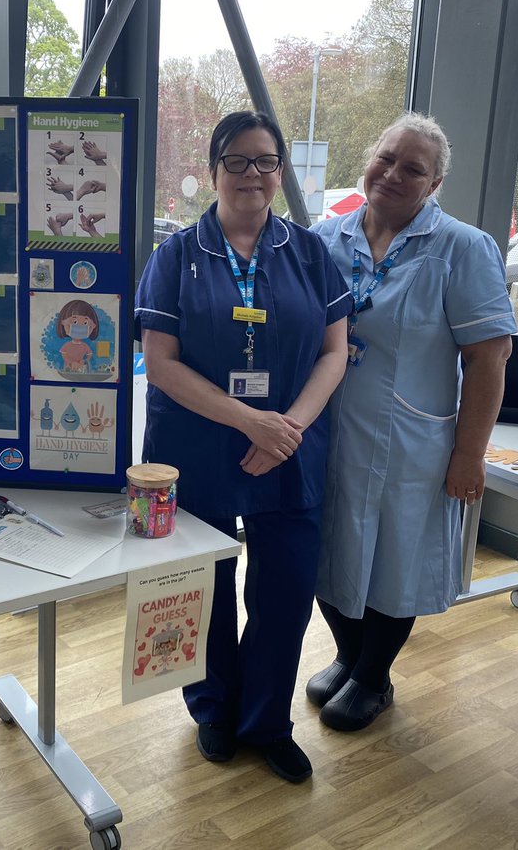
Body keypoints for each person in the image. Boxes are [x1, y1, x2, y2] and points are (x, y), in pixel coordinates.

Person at [135, 110, 351, 783]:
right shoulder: (177, 255)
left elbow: (334, 352)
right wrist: (246, 421)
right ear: (213, 170)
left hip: (288, 448)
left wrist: (284, 429)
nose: (251, 174)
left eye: (264, 161)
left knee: (284, 589)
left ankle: (265, 721)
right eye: (237, 161)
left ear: (280, 171)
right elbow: (161, 363)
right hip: (196, 445)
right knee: (203, 585)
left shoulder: (311, 253)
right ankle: (213, 713)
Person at [306, 112, 515, 731]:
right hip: (328, 432)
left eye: (414, 169)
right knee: (326, 551)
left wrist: (469, 456)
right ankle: (348, 655)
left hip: (413, 442)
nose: (394, 174)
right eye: (387, 158)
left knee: (395, 562)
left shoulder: (462, 248)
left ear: (435, 184)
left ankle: (373, 677)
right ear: (370, 158)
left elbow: (488, 357)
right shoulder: (325, 239)